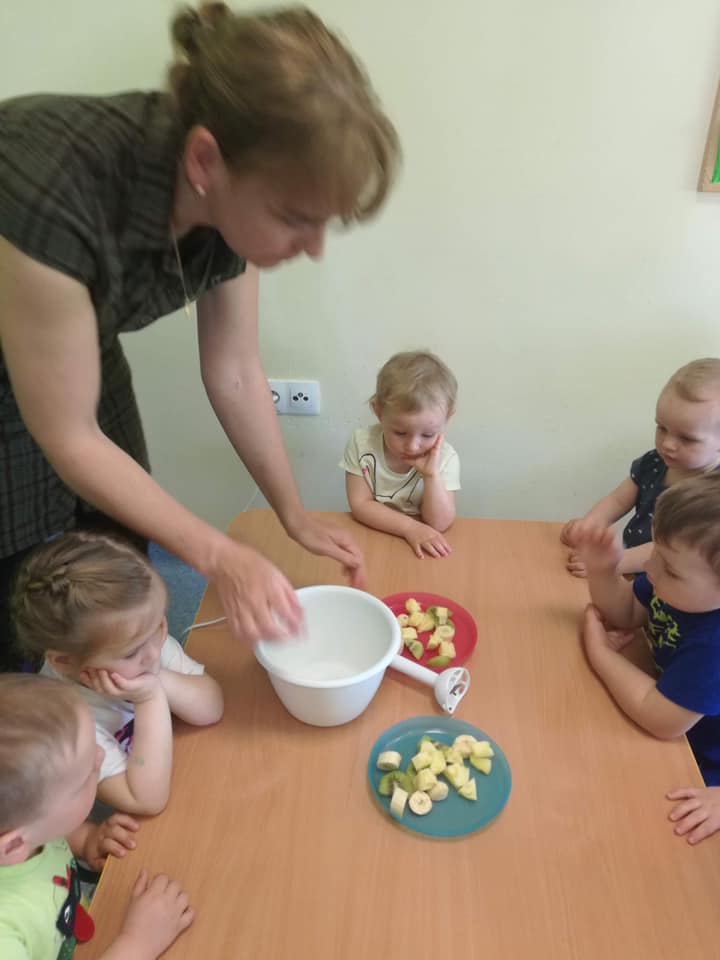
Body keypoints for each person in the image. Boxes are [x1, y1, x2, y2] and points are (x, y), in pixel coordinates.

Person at [0, 2, 401, 666]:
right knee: (15, 584)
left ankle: (130, 679)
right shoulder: (53, 189)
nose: (314, 248)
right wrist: (218, 554)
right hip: (16, 327)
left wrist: (293, 514)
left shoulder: (226, 201)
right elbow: (71, 437)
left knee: (121, 543)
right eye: (295, 218)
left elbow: (235, 371)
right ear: (204, 160)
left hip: (77, 335)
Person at [12, 531, 224, 815]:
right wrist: (149, 697)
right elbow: (145, 800)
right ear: (64, 662)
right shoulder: (64, 722)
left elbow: (212, 707)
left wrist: (158, 679)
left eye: (160, 625)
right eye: (131, 653)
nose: (154, 651)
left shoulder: (143, 641)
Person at [0, 673, 194, 960]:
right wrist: (138, 942)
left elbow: (48, 834)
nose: (101, 756)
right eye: (84, 777)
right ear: (14, 846)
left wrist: (87, 839)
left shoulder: (22, 829)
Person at [570, 472, 720, 789]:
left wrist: (600, 652)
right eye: (655, 552)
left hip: (702, 765)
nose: (649, 568)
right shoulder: (679, 589)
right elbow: (626, 612)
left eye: (670, 569)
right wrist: (602, 570)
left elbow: (659, 718)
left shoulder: (713, 645)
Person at [561, 358, 720, 578]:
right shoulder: (655, 462)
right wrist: (589, 526)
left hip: (673, 587)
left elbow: (668, 550)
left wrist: (613, 564)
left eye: (686, 438)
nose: (667, 444)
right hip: (632, 574)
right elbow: (617, 501)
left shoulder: (712, 495)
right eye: (662, 428)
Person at [340, 350, 460, 559]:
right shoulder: (361, 445)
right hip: (374, 537)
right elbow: (360, 505)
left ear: (447, 417)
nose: (413, 446)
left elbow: (440, 524)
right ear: (378, 412)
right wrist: (409, 528)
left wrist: (431, 476)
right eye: (400, 433)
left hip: (424, 548)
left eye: (428, 434)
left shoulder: (446, 457)